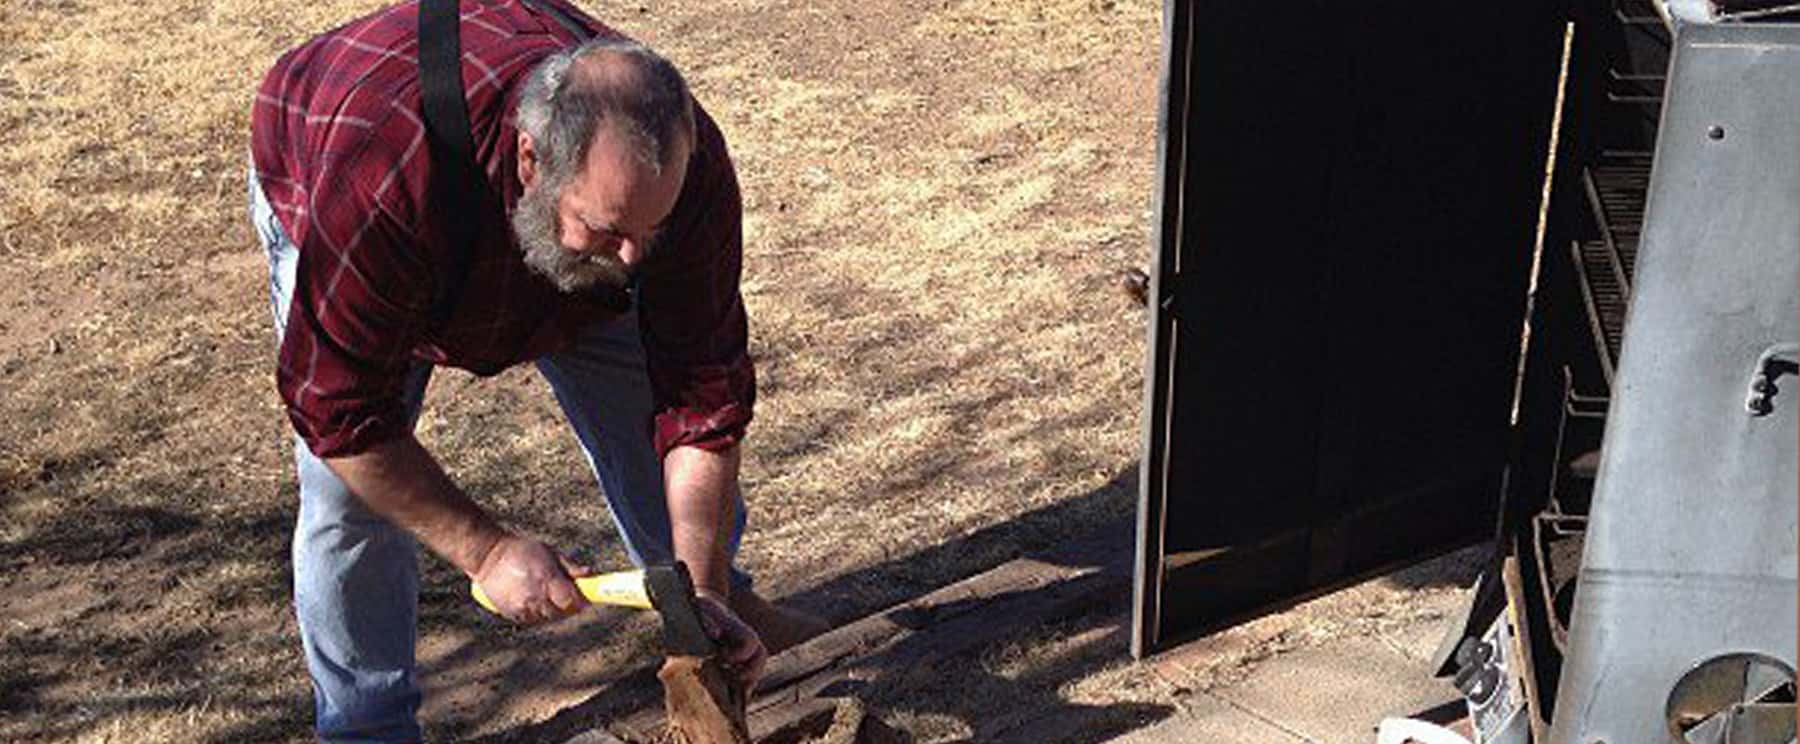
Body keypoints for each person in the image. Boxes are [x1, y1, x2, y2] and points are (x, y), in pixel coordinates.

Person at [246, 1, 823, 739]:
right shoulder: (381, 173)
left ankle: (720, 609)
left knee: (643, 403)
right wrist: (483, 551)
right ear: (531, 161)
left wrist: (700, 583)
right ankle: (367, 725)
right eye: (611, 228)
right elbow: (339, 413)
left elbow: (703, 394)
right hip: (349, 179)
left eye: (652, 231)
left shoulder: (679, 172)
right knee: (346, 502)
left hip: (518, 226)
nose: (634, 259)